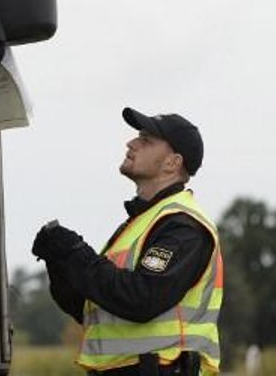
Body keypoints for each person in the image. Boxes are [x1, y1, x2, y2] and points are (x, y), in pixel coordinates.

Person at [32, 107, 222, 376]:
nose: (131, 143)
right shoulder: (141, 223)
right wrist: (60, 262)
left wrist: (76, 253)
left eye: (146, 140)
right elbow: (92, 308)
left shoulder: (183, 225)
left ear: (172, 163)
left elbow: (142, 299)